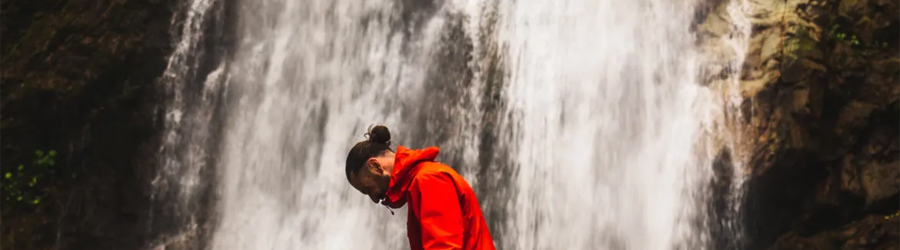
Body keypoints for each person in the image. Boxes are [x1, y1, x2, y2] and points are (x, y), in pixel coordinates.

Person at [345, 125, 496, 250]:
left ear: (375, 166)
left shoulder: (429, 180)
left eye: (368, 189)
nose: (374, 198)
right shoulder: (422, 180)